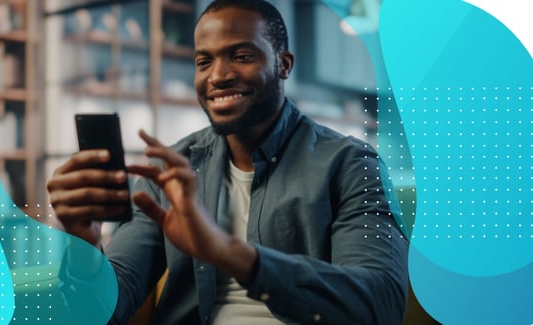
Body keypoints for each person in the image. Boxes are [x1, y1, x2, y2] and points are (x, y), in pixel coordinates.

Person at [46, 0, 409, 324]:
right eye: (204, 61)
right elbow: (109, 309)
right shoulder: (167, 174)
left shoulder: (351, 164)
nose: (218, 76)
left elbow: (381, 304)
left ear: (283, 65)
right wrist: (83, 247)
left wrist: (229, 252)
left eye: (242, 55)